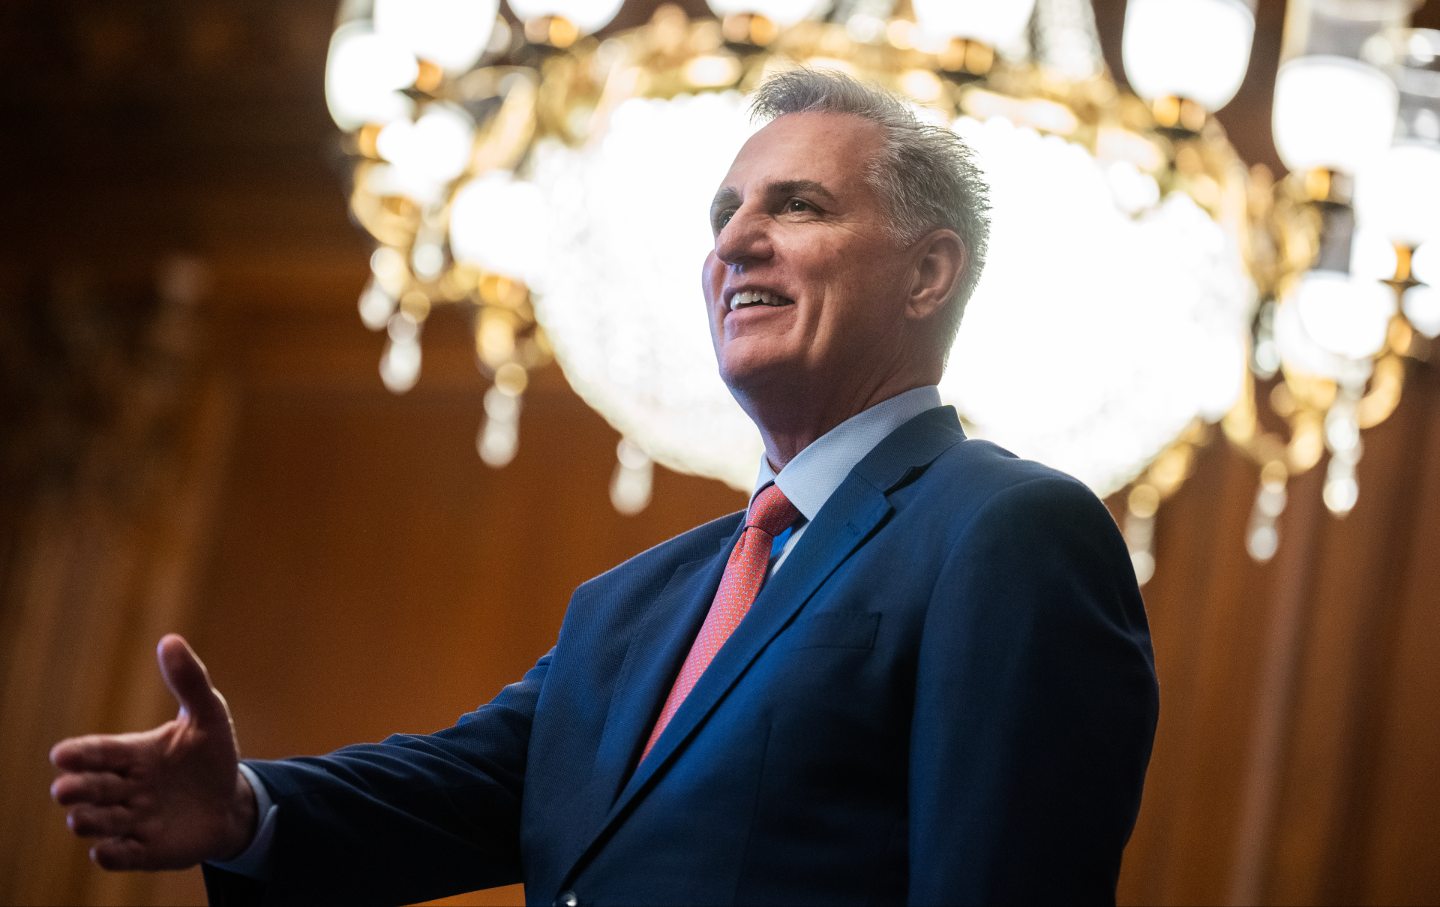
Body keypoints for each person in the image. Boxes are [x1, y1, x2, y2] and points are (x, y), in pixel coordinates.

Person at [50, 70, 1159, 905]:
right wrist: (242, 807)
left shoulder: (1008, 531)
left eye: (799, 206)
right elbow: (462, 785)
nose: (736, 242)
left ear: (928, 271)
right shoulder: (635, 602)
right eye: (722, 216)